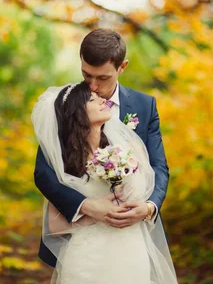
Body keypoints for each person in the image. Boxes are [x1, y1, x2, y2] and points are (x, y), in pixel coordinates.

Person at [34, 29, 170, 267]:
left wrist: (148, 207)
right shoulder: (67, 104)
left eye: (103, 78)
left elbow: (159, 165)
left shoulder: (144, 105)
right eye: (87, 75)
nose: (93, 86)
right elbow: (43, 173)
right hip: (80, 239)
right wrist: (87, 207)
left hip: (131, 236)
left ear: (122, 67)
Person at [31, 81, 176, 283]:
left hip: (131, 251)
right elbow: (54, 227)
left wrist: (143, 206)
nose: (101, 99)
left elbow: (155, 176)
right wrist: (96, 213)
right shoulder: (67, 163)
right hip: (86, 259)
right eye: (92, 99)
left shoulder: (127, 150)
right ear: (77, 114)